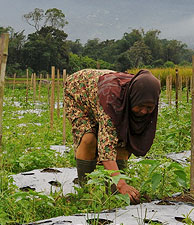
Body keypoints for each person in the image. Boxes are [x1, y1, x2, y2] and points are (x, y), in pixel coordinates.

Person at [64, 68, 161, 204]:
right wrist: (121, 183)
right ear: (133, 99)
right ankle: (85, 192)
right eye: (140, 106)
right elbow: (106, 148)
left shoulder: (142, 94)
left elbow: (125, 139)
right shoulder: (112, 100)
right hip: (79, 92)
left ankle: (115, 194)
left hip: (100, 95)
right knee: (89, 138)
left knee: (122, 140)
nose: (144, 111)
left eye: (149, 108)